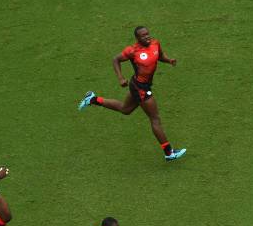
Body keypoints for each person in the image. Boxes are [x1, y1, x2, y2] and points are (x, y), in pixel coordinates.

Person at [77, 26, 186, 161]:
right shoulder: (132, 51)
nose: (147, 37)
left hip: (140, 85)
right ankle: (169, 153)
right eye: (143, 35)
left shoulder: (155, 43)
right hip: (140, 87)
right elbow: (115, 59)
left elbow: (160, 56)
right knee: (155, 119)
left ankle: (93, 99)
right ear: (137, 38)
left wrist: (169, 60)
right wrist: (120, 78)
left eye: (147, 34)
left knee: (125, 109)